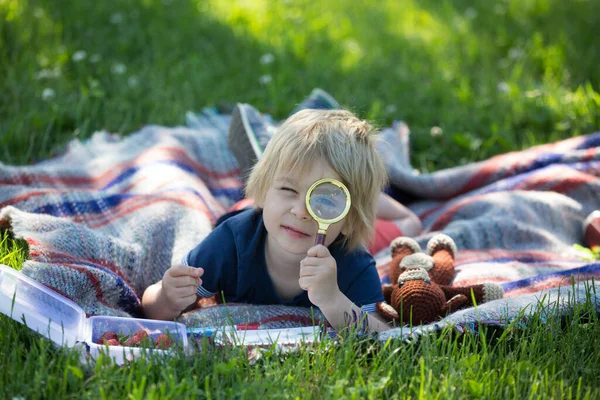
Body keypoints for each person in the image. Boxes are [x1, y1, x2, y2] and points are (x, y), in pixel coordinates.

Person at [142, 106, 417, 333]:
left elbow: (384, 335)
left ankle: (367, 200)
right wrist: (167, 296)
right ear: (264, 190)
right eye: (288, 189)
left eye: (325, 199)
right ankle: (264, 155)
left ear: (347, 217)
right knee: (255, 200)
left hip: (339, 222)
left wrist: (333, 299)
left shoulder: (352, 260)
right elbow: (152, 307)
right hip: (254, 209)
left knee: (409, 224)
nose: (301, 211)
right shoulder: (230, 242)